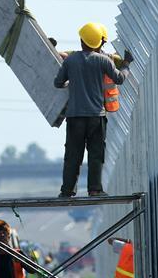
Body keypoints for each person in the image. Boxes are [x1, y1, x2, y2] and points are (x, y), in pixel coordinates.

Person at [54, 22, 133, 197]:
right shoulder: (104, 60)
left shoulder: (71, 61)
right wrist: (126, 63)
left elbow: (58, 83)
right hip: (96, 117)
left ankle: (67, 191)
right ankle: (95, 189)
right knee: (96, 154)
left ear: (82, 41)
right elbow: (119, 79)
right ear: (99, 43)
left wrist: (71, 82)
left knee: (73, 155)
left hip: (75, 117)